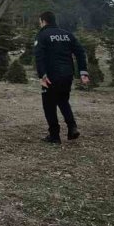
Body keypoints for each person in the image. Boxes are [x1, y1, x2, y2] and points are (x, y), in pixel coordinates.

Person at [33, 11, 90, 144]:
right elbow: (80, 52)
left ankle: (54, 136)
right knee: (63, 100)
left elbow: (39, 56)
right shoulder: (67, 35)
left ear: (43, 21)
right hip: (67, 74)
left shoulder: (42, 35)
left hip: (51, 76)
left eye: (40, 22)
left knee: (49, 105)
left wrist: (42, 75)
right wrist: (83, 72)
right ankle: (72, 127)